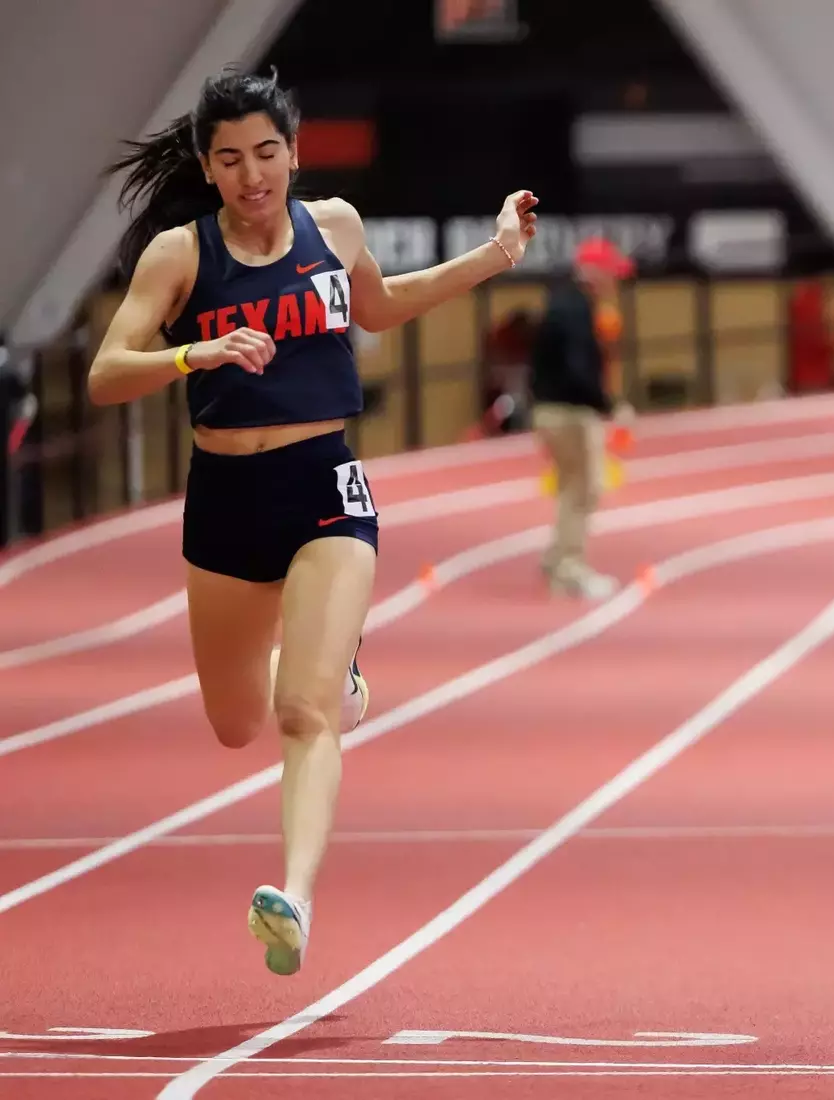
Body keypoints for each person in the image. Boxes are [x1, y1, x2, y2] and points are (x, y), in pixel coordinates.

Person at [86, 68, 538, 977]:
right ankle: (332, 674)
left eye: (266, 153)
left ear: (292, 152)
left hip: (323, 482)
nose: (252, 175)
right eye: (230, 160)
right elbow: (105, 374)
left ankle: (291, 896)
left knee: (304, 713)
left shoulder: (333, 226)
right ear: (208, 169)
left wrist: (493, 256)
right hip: (223, 501)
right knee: (234, 721)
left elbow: (379, 305)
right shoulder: (180, 255)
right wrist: (196, 352)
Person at [527, 236, 632, 598]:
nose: (615, 282)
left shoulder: (565, 303)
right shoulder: (575, 310)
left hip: (554, 408)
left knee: (574, 488)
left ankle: (558, 556)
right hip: (569, 412)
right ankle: (569, 567)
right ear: (595, 273)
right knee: (583, 490)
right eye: (611, 273)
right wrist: (607, 403)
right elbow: (577, 368)